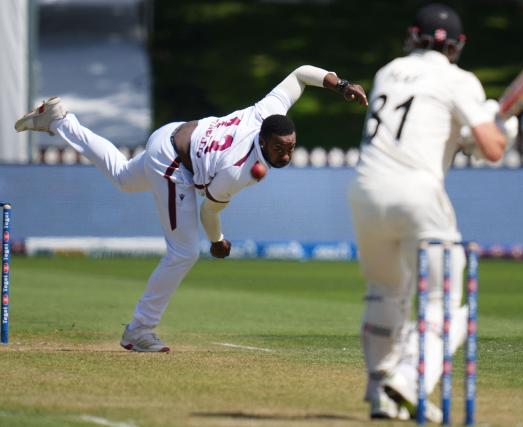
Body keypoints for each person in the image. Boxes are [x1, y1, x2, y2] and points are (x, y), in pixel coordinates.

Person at [15, 65, 367, 353]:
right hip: (173, 163)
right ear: (262, 140)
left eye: (290, 148)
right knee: (184, 252)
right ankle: (139, 329)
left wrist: (341, 85)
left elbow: (302, 73)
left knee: (123, 176)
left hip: (174, 133)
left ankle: (60, 121)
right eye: (278, 149)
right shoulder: (239, 170)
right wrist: (218, 241)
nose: (286, 156)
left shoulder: (269, 111)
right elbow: (208, 213)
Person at [348, 3, 517, 421]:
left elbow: (439, 130)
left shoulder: (387, 71)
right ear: (458, 45)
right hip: (418, 193)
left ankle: (380, 393)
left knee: (384, 292)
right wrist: (502, 129)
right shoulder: (458, 79)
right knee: (448, 302)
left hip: (365, 190)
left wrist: (476, 134)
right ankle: (409, 379)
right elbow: (492, 149)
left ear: (412, 35)